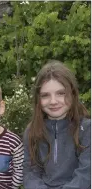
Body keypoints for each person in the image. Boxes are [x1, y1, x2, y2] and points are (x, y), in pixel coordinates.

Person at [23, 60, 91, 189]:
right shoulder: (32, 131)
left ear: (73, 93)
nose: (53, 101)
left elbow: (86, 173)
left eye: (61, 93)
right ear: (38, 99)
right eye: (45, 95)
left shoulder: (87, 129)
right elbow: (30, 172)